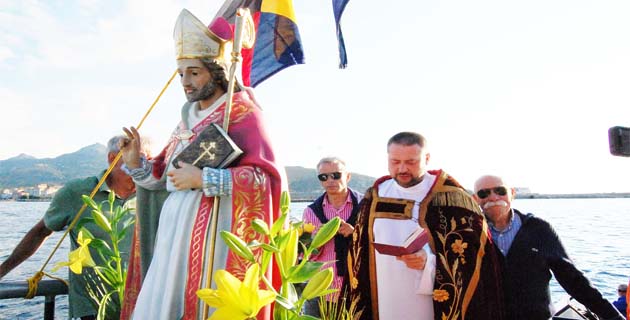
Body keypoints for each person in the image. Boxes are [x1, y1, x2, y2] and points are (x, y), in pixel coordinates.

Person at [118, 9, 284, 320]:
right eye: (181, 73)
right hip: (172, 235)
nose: (186, 82)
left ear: (217, 70)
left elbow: (267, 180)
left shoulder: (243, 114)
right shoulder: (185, 119)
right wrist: (136, 163)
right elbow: (163, 178)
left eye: (194, 72)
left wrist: (206, 179)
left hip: (215, 235)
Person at [346, 132, 504, 320]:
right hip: (383, 298)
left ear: (427, 158)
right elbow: (358, 253)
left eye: (411, 162)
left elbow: (473, 259)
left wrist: (430, 263)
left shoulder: (452, 198)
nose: (402, 168)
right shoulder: (374, 196)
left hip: (429, 303)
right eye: (395, 162)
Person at [0, 135, 137, 320]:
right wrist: (3, 270)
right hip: (94, 306)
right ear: (112, 158)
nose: (142, 165)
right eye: (134, 157)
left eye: (146, 160)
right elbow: (40, 231)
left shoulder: (150, 195)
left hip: (142, 302)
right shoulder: (77, 192)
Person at [472, 174, 624, 320]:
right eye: (484, 193)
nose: (493, 197)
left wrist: (613, 317)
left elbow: (573, 280)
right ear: (475, 199)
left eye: (500, 190)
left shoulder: (539, 229)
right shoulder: (467, 234)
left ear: (512, 193)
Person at [301, 157, 363, 316]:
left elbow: (377, 241)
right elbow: (305, 254)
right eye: (324, 177)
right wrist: (318, 239)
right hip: (320, 288)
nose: (330, 180)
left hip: (357, 287)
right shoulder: (311, 212)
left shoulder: (365, 205)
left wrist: (355, 233)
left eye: (336, 175)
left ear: (347, 176)